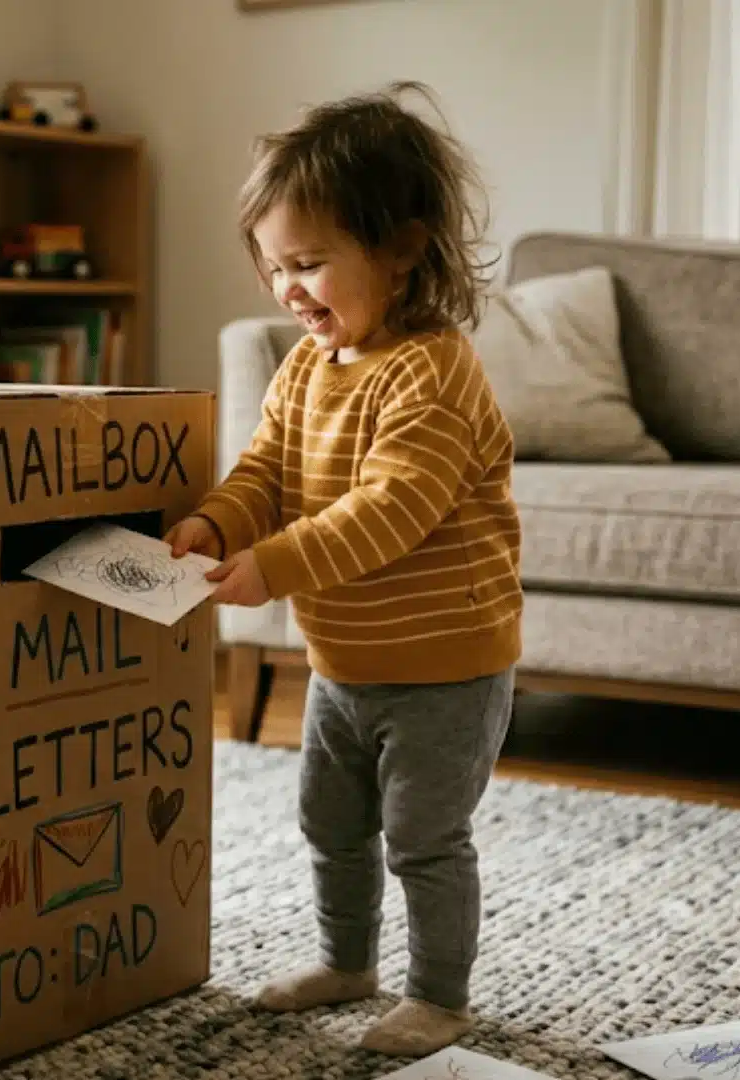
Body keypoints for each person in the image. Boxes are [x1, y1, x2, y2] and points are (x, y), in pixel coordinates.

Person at [166, 81, 522, 1057]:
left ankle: (439, 997)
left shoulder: (434, 373)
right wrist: (212, 521)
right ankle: (347, 961)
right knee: (329, 822)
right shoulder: (304, 367)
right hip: (345, 662)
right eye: (275, 267)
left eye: (312, 263)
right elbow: (267, 471)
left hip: (447, 668)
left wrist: (273, 564)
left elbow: (392, 511)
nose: (289, 289)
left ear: (403, 248)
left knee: (423, 839)